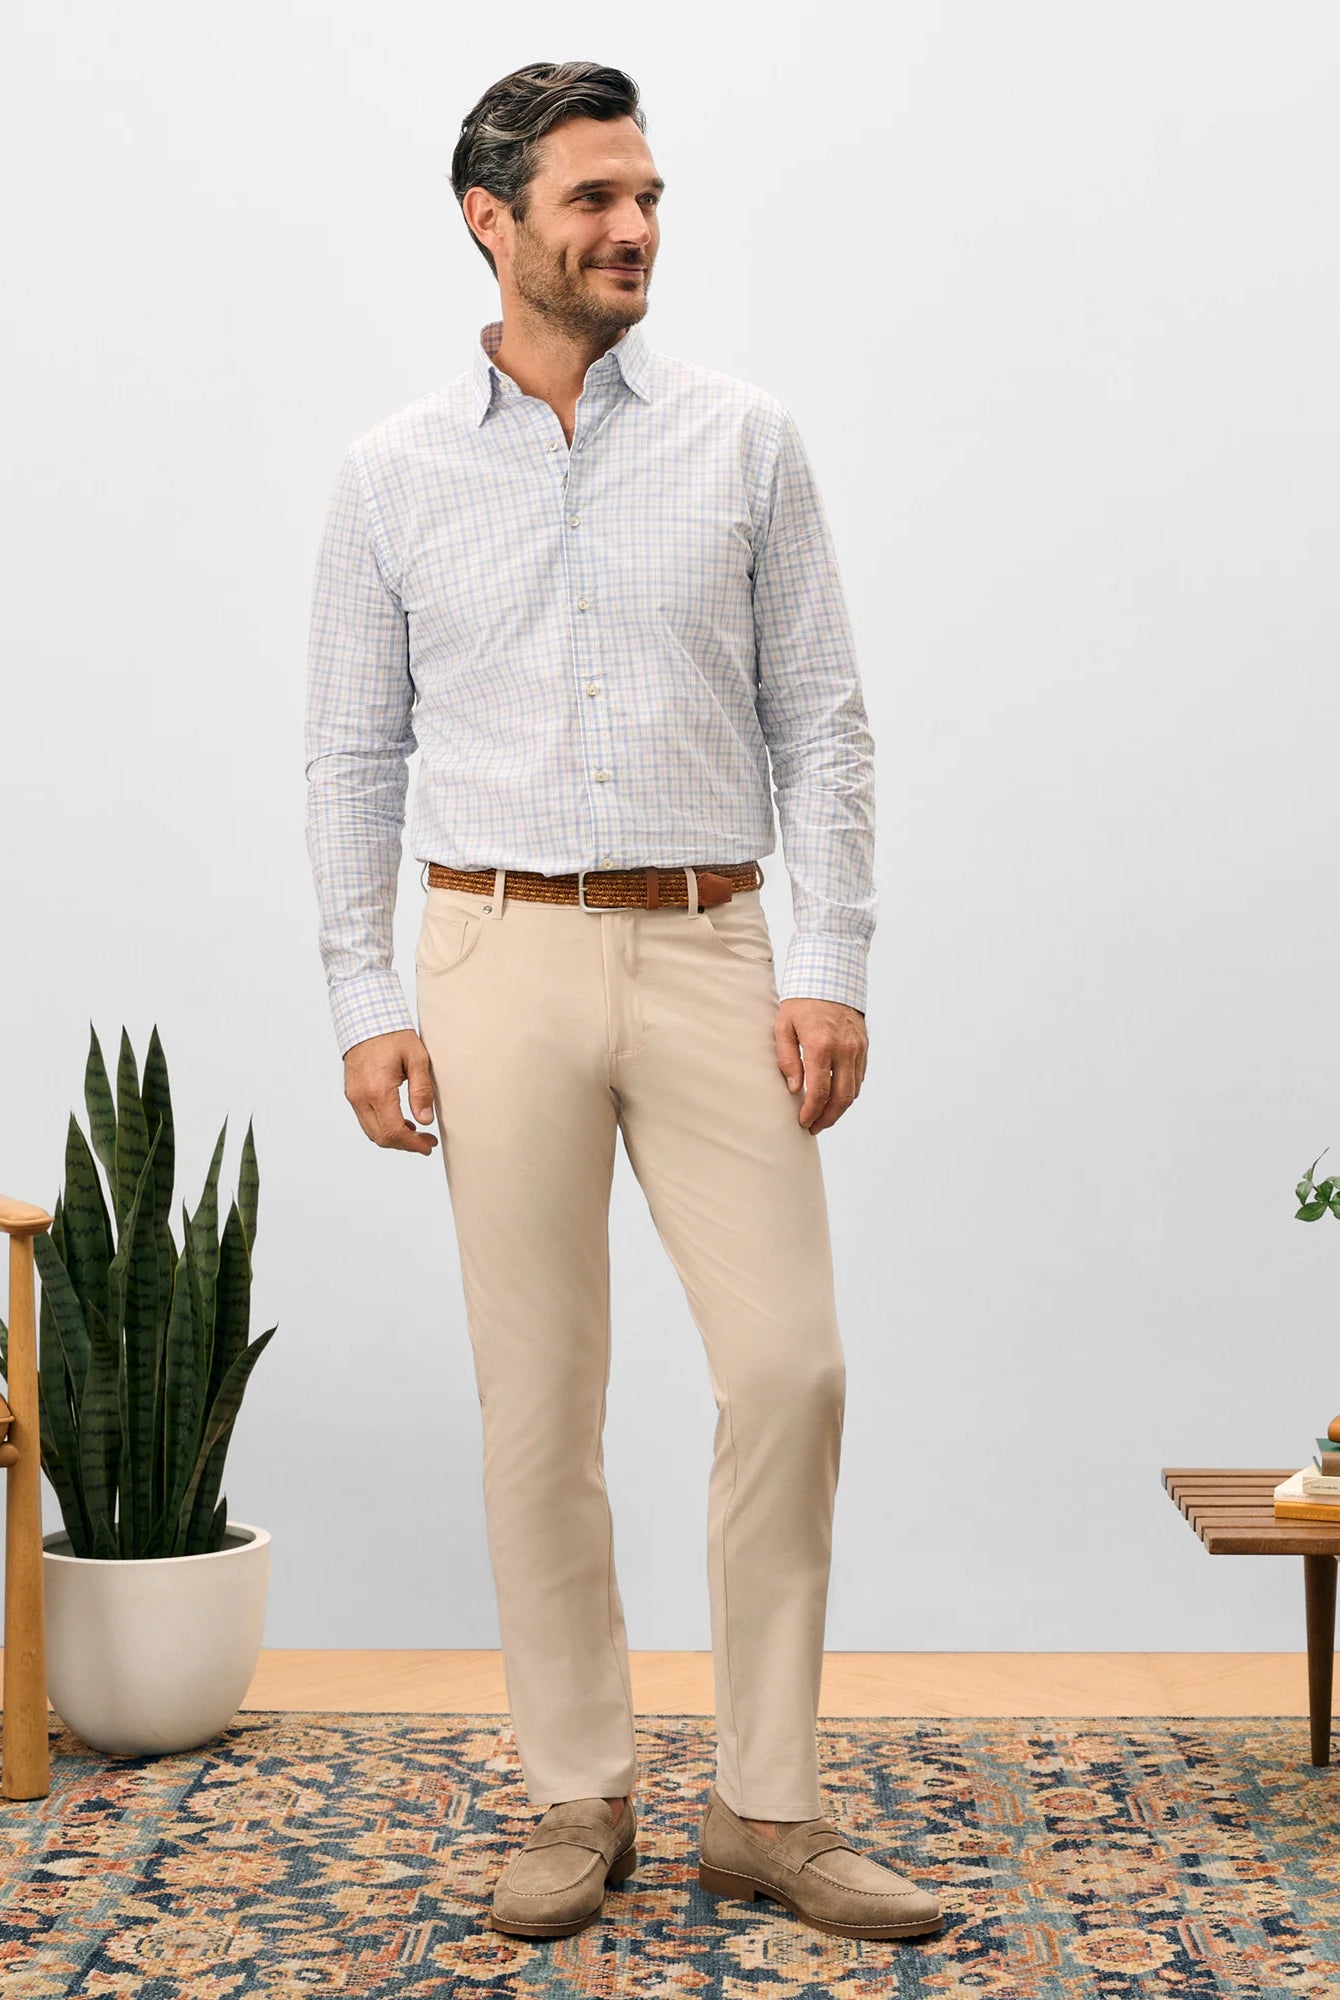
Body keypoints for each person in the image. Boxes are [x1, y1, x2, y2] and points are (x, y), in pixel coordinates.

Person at [304, 59, 941, 1947]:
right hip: (489, 952)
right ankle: (575, 1790)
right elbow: (350, 756)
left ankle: (767, 1803)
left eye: (646, 194)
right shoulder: (391, 475)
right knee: (539, 1399)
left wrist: (828, 962)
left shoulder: (747, 443)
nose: (634, 227)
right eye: (593, 198)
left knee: (791, 1368)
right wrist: (364, 993)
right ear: (490, 221)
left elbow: (824, 723)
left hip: (710, 945)